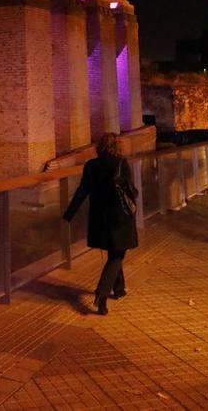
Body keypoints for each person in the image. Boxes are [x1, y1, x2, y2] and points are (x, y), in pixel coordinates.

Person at [64, 132, 139, 315]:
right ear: (117, 147)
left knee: (115, 251)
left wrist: (69, 214)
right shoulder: (120, 163)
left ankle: (119, 289)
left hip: (99, 218)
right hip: (119, 217)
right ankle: (102, 293)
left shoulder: (91, 165)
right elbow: (132, 192)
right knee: (117, 255)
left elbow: (82, 191)